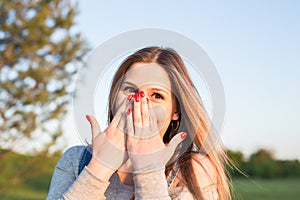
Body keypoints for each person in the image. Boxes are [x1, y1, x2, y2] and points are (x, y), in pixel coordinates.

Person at [47, 47, 231, 200]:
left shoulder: (193, 170)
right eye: (130, 90)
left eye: (157, 95)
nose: (139, 102)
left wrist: (149, 171)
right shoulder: (76, 160)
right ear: (114, 99)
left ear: (176, 111)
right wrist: (98, 169)